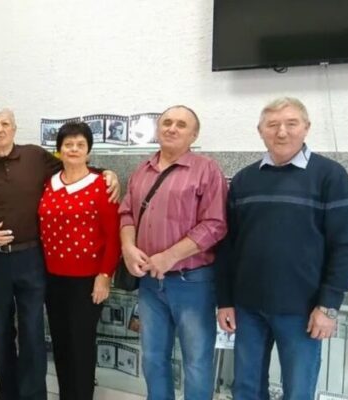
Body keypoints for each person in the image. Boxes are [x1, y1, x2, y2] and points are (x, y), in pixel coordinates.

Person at [216, 97, 348, 400]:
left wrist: (328, 306)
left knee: (298, 391)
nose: (281, 131)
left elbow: (346, 247)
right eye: (272, 125)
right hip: (248, 308)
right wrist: (225, 300)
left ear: (306, 127)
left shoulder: (330, 176)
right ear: (260, 131)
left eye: (291, 123)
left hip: (304, 310)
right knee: (245, 389)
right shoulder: (244, 180)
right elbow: (228, 246)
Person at [0, 108, 119, 400]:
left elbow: (74, 164)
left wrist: (107, 173)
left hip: (31, 258)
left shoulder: (36, 156)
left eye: (5, 124)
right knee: (0, 329)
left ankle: (34, 394)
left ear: (14, 128)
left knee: (32, 330)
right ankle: (8, 393)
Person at [118, 105, 227, 400]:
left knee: (197, 362)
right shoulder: (142, 170)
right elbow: (126, 214)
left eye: (181, 124)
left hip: (192, 282)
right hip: (149, 284)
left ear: (194, 135)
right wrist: (128, 247)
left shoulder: (207, 170)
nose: (172, 128)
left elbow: (215, 224)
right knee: (153, 358)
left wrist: (170, 256)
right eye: (166, 122)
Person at [39, 122, 120, 400]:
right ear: (59, 150)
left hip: (87, 281)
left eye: (80, 144)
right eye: (68, 144)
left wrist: (104, 276)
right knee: (60, 342)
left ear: (88, 150)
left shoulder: (101, 185)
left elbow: (113, 237)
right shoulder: (48, 183)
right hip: (52, 278)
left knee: (81, 344)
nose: (74, 149)